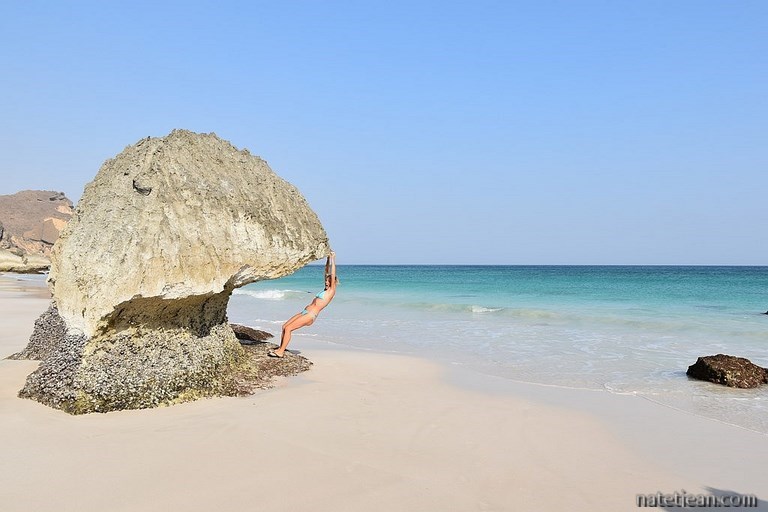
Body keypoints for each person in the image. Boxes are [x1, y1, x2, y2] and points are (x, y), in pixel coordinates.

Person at [268, 251, 337, 358]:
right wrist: (327, 259)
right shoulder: (325, 289)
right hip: (304, 312)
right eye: (326, 281)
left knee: (289, 329)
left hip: (310, 315)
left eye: (328, 281)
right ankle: (281, 348)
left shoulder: (331, 292)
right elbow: (326, 271)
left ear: (332, 282)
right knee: (285, 326)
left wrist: (333, 258)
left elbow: (332, 273)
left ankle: (280, 352)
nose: (326, 282)